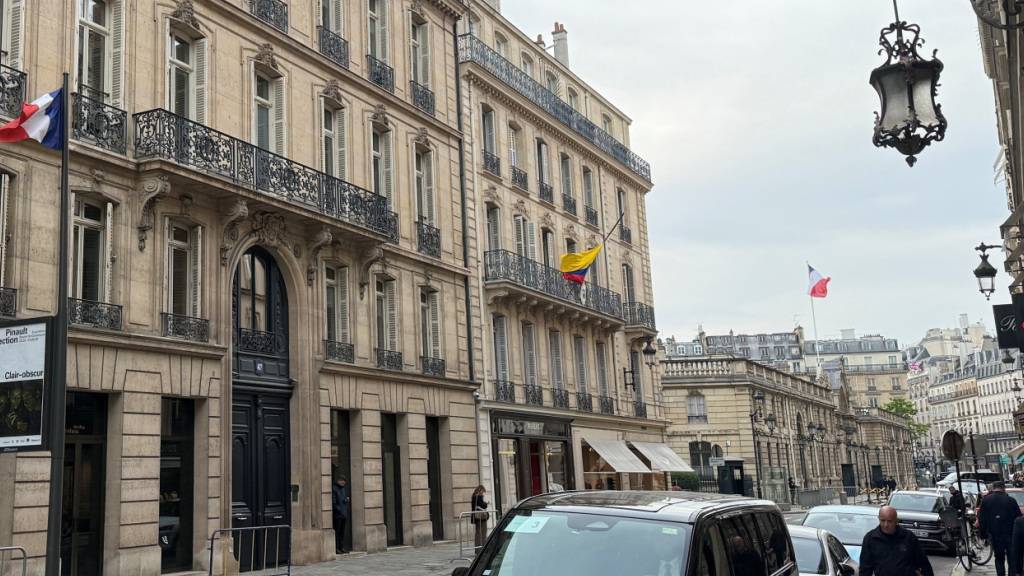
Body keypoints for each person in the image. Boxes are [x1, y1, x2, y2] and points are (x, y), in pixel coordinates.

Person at [859, 506, 933, 576]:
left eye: (889, 521)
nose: (886, 525)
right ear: (879, 519)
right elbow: (865, 568)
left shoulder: (908, 537)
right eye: (883, 520)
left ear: (896, 521)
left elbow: (923, 563)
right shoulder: (870, 538)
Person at [980, 481, 1021, 576]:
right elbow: (1018, 517)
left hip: (995, 534)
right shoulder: (1011, 500)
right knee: (1012, 558)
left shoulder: (986, 500)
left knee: (999, 558)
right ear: (1003, 488)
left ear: (993, 488)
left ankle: (1000, 574)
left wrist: (983, 534)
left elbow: (982, 519)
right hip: (1010, 534)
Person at [331, 474, 350, 554]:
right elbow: (334, 502)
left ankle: (341, 547)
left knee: (342, 532)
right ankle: (336, 548)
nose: (343, 482)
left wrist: (346, 500)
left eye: (344, 481)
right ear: (338, 481)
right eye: (341, 481)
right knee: (337, 532)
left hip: (343, 514)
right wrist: (339, 510)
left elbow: (342, 500)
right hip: (338, 515)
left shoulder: (343, 489)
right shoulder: (334, 489)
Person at [470, 485, 489, 550]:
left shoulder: (474, 496)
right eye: (483, 491)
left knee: (478, 533)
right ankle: (482, 548)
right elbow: (483, 505)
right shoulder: (479, 496)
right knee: (483, 532)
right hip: (481, 517)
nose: (483, 493)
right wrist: (486, 503)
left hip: (476, 517)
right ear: (480, 490)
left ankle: (477, 549)